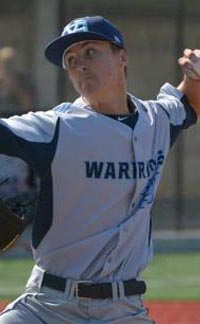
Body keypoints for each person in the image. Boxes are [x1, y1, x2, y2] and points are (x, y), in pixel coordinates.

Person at [0, 15, 199, 324]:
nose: (80, 64)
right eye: (70, 60)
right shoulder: (57, 128)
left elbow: (188, 102)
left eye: (90, 52)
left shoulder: (156, 120)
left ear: (123, 57)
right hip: (48, 308)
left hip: (125, 312)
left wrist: (196, 73)